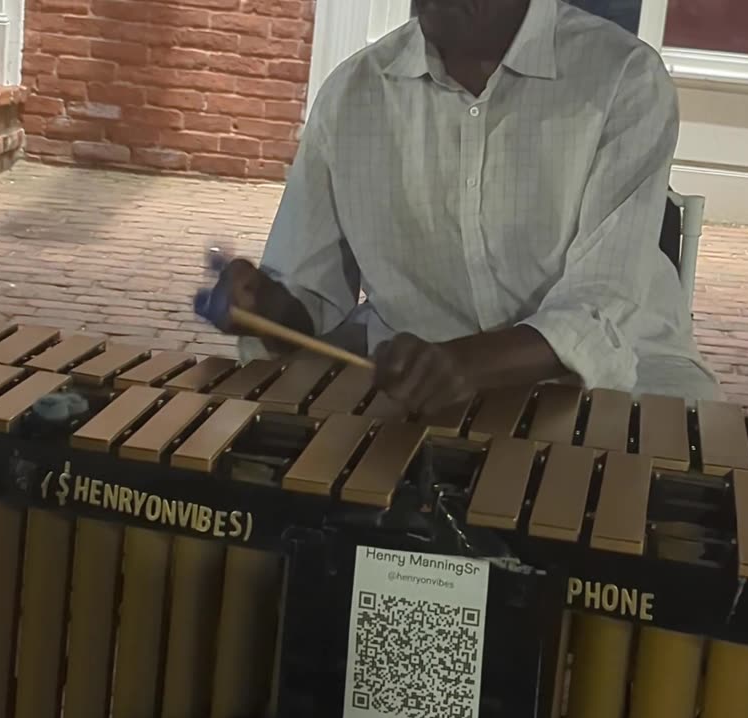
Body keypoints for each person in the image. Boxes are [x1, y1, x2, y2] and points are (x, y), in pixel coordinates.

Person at [207, 0, 718, 415]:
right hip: (416, 391)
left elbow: (601, 304)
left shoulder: (624, 78)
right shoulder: (351, 96)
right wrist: (266, 307)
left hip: (624, 379)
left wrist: (468, 364)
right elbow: (307, 293)